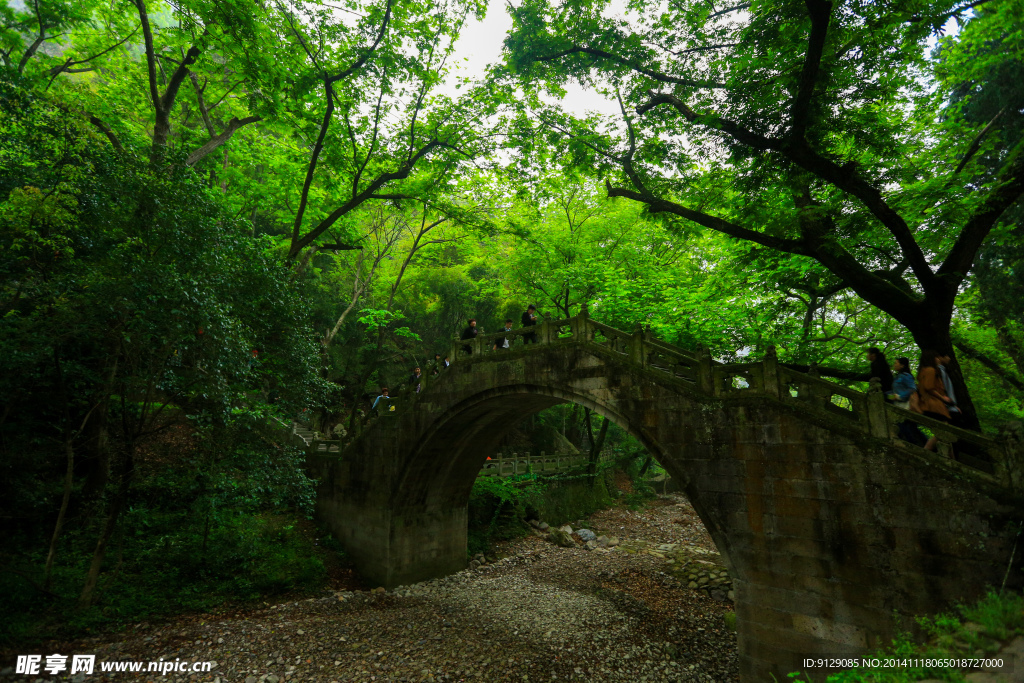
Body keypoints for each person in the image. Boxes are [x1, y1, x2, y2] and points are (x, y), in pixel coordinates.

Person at [915, 349, 952, 452]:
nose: (938, 359)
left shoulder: (922, 371)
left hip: (929, 403)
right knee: (944, 430)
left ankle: (950, 457)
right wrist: (943, 398)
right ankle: (926, 451)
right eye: (936, 357)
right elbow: (929, 387)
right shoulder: (931, 370)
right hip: (934, 405)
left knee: (945, 432)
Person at [891, 357, 926, 446]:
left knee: (904, 427)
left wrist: (900, 396)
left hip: (906, 405)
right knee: (910, 428)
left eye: (896, 363)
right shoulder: (898, 376)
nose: (894, 365)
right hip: (898, 405)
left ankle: (916, 445)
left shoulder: (907, 376)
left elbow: (912, 388)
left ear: (902, 365)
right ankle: (925, 445)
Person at [937, 353, 965, 430]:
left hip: (950, 407)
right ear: (939, 357)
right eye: (946, 356)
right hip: (947, 407)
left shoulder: (942, 370)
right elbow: (944, 389)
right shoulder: (939, 371)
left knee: (944, 432)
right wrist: (951, 405)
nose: (949, 358)